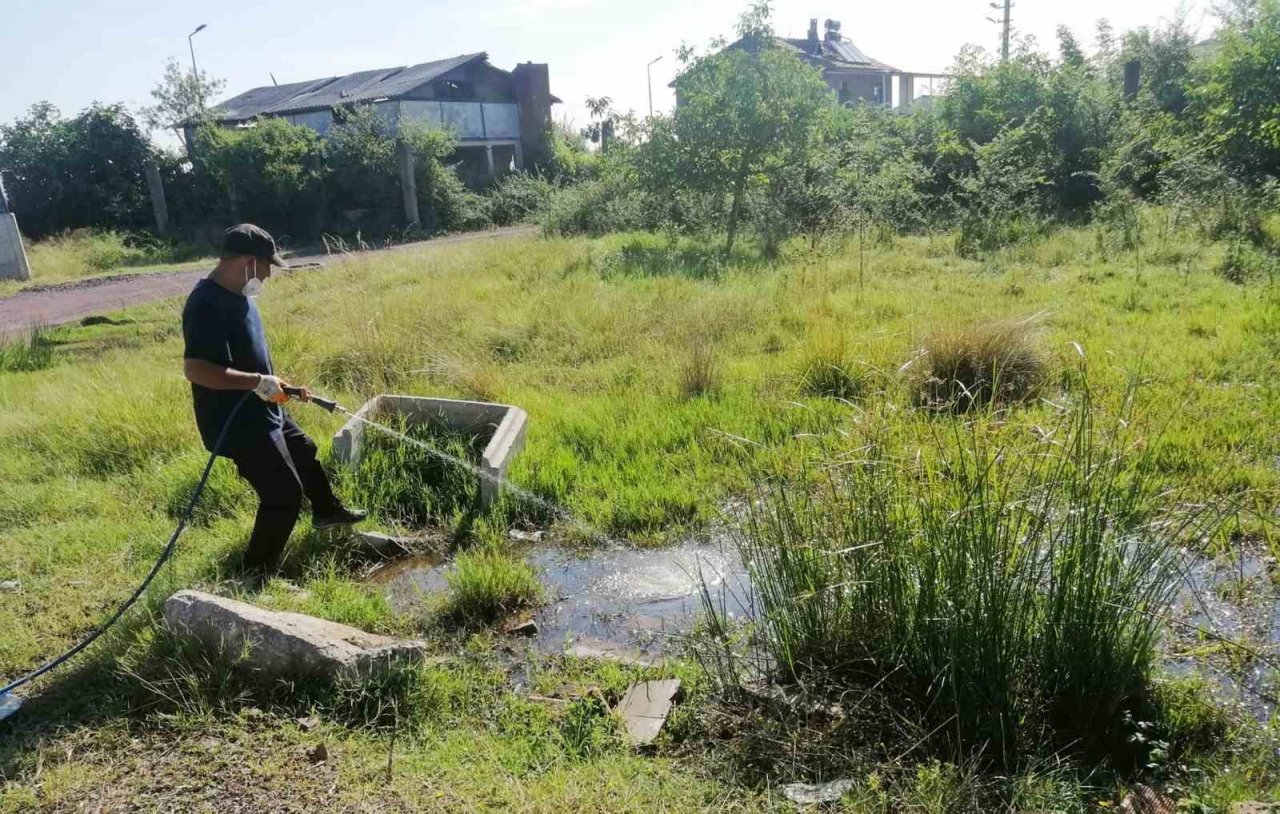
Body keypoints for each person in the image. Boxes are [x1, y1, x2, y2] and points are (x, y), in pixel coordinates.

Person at [182, 224, 365, 573]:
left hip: (263, 406)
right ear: (249, 262)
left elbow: (250, 358)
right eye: (266, 266)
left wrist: (279, 385)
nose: (267, 275)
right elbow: (196, 369)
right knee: (283, 495)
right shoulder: (206, 303)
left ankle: (327, 513)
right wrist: (256, 382)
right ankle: (255, 572)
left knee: (304, 450)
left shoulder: (241, 295)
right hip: (236, 422)